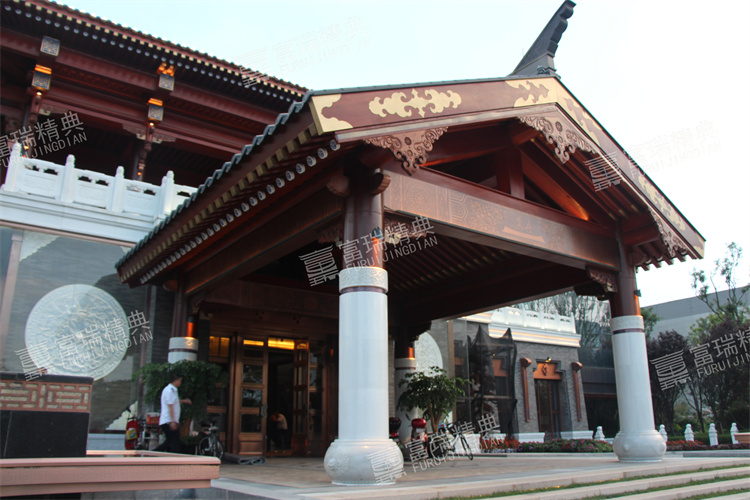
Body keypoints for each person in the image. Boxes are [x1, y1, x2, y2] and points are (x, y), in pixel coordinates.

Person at [154, 371, 191, 453]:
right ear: (176, 380)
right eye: (180, 381)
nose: (180, 383)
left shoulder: (173, 391)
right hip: (168, 420)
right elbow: (170, 406)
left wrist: (184, 401)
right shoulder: (169, 391)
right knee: (174, 442)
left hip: (170, 420)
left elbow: (174, 402)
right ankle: (155, 453)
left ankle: (153, 453)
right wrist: (172, 421)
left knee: (170, 441)